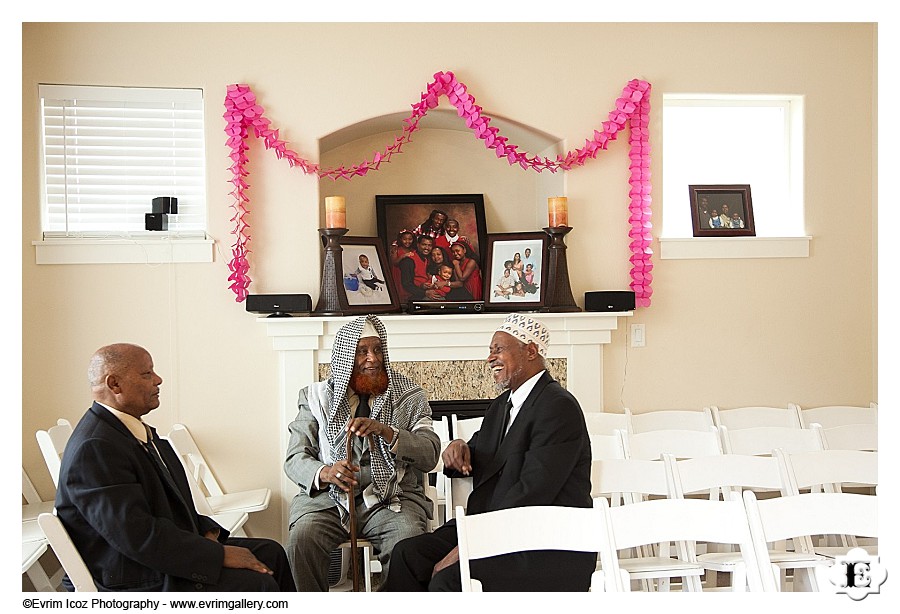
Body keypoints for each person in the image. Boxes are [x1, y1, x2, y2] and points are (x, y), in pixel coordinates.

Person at [54, 343, 296, 592]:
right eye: (147, 374)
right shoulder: (96, 447)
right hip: (130, 573)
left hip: (151, 552)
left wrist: (206, 532)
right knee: (257, 583)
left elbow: (170, 505)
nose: (158, 380)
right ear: (114, 384)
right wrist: (217, 555)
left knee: (272, 553)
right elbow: (136, 536)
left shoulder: (127, 430)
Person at [383, 314, 594, 592]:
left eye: (498, 349)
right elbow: (484, 456)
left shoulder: (557, 407)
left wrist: (469, 548)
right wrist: (458, 449)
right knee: (408, 555)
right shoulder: (501, 405)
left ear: (530, 350)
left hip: (544, 541)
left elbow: (531, 494)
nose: (490, 358)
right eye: (490, 350)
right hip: (491, 525)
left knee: (449, 579)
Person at [284, 315, 441, 591]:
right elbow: (295, 458)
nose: (373, 358)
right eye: (362, 351)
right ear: (346, 358)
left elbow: (429, 453)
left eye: (378, 350)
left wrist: (387, 432)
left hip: (389, 499)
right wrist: (326, 472)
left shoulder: (409, 395)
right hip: (328, 502)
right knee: (302, 541)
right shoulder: (316, 398)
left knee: (408, 541)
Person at [399, 235, 444, 301]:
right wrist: (425, 292)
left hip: (427, 291)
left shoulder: (429, 258)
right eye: (424, 245)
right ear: (418, 245)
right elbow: (407, 284)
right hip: (413, 295)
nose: (427, 248)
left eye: (429, 245)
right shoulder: (408, 261)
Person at [389, 231, 416, 303]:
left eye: (410, 239)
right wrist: (403, 256)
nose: (407, 241)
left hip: (409, 275)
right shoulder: (396, 250)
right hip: (398, 274)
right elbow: (394, 262)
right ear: (401, 239)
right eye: (405, 239)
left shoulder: (414, 250)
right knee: (399, 292)